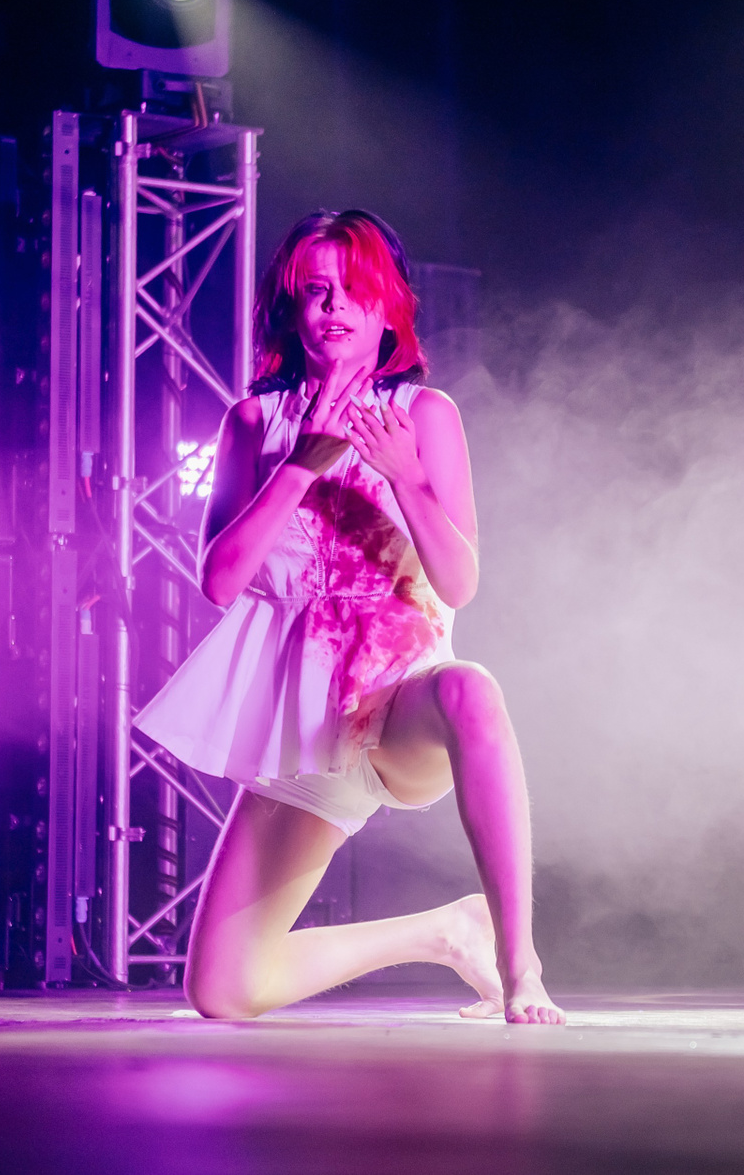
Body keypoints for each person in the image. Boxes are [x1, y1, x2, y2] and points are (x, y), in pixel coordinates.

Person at [134, 209, 563, 1024]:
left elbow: (459, 581)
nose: (334, 306)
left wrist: (405, 476)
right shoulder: (253, 423)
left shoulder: (424, 414)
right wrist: (301, 466)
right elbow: (219, 582)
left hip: (400, 708)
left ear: (388, 307)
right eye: (315, 290)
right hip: (301, 733)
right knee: (222, 990)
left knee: (473, 690)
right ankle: (443, 931)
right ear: (291, 307)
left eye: (354, 290)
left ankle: (521, 966)